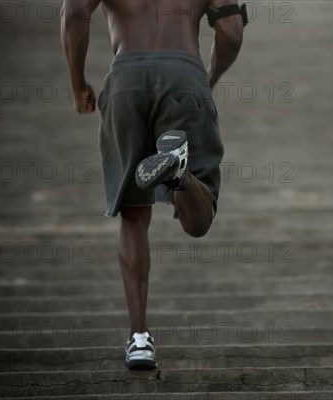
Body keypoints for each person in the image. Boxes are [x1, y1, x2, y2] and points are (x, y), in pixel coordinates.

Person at [60, 0, 245, 370]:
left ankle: (139, 339)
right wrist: (206, 78)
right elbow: (230, 30)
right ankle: (180, 172)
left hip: (126, 78)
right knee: (199, 220)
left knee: (132, 215)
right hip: (184, 73)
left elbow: (74, 13)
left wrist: (78, 84)